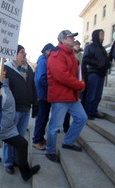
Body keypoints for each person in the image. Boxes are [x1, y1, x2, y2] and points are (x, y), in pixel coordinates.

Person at [0, 62, 40, 188]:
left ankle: (25, 172)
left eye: (3, 70)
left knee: (22, 144)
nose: (3, 72)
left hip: (6, 127)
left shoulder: (5, 83)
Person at [45, 30, 88, 163]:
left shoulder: (71, 54)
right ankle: (50, 150)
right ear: (62, 40)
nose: (73, 39)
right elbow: (62, 76)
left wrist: (80, 83)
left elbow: (75, 74)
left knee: (82, 118)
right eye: (70, 37)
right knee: (54, 126)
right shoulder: (56, 54)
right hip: (60, 96)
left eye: (73, 37)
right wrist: (79, 86)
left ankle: (68, 142)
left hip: (71, 95)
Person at [3, 45, 37, 174]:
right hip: (12, 110)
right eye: (22, 52)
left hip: (26, 108)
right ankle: (8, 162)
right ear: (14, 54)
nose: (25, 54)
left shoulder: (28, 68)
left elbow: (33, 86)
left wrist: (35, 102)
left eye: (24, 51)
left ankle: (18, 160)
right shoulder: (6, 68)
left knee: (20, 137)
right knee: (10, 137)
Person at [82, 29, 111, 120]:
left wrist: (107, 64)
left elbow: (104, 60)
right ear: (96, 35)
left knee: (98, 95)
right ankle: (88, 112)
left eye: (103, 33)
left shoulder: (102, 48)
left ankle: (94, 111)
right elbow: (85, 59)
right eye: (101, 34)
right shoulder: (89, 47)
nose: (103, 35)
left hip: (101, 73)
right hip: (93, 73)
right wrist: (98, 63)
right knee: (91, 94)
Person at [32, 43, 55, 151]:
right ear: (47, 51)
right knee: (41, 118)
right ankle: (36, 140)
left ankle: (40, 138)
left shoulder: (43, 60)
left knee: (44, 118)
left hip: (44, 94)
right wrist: (51, 87)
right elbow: (41, 79)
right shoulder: (43, 61)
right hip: (43, 95)